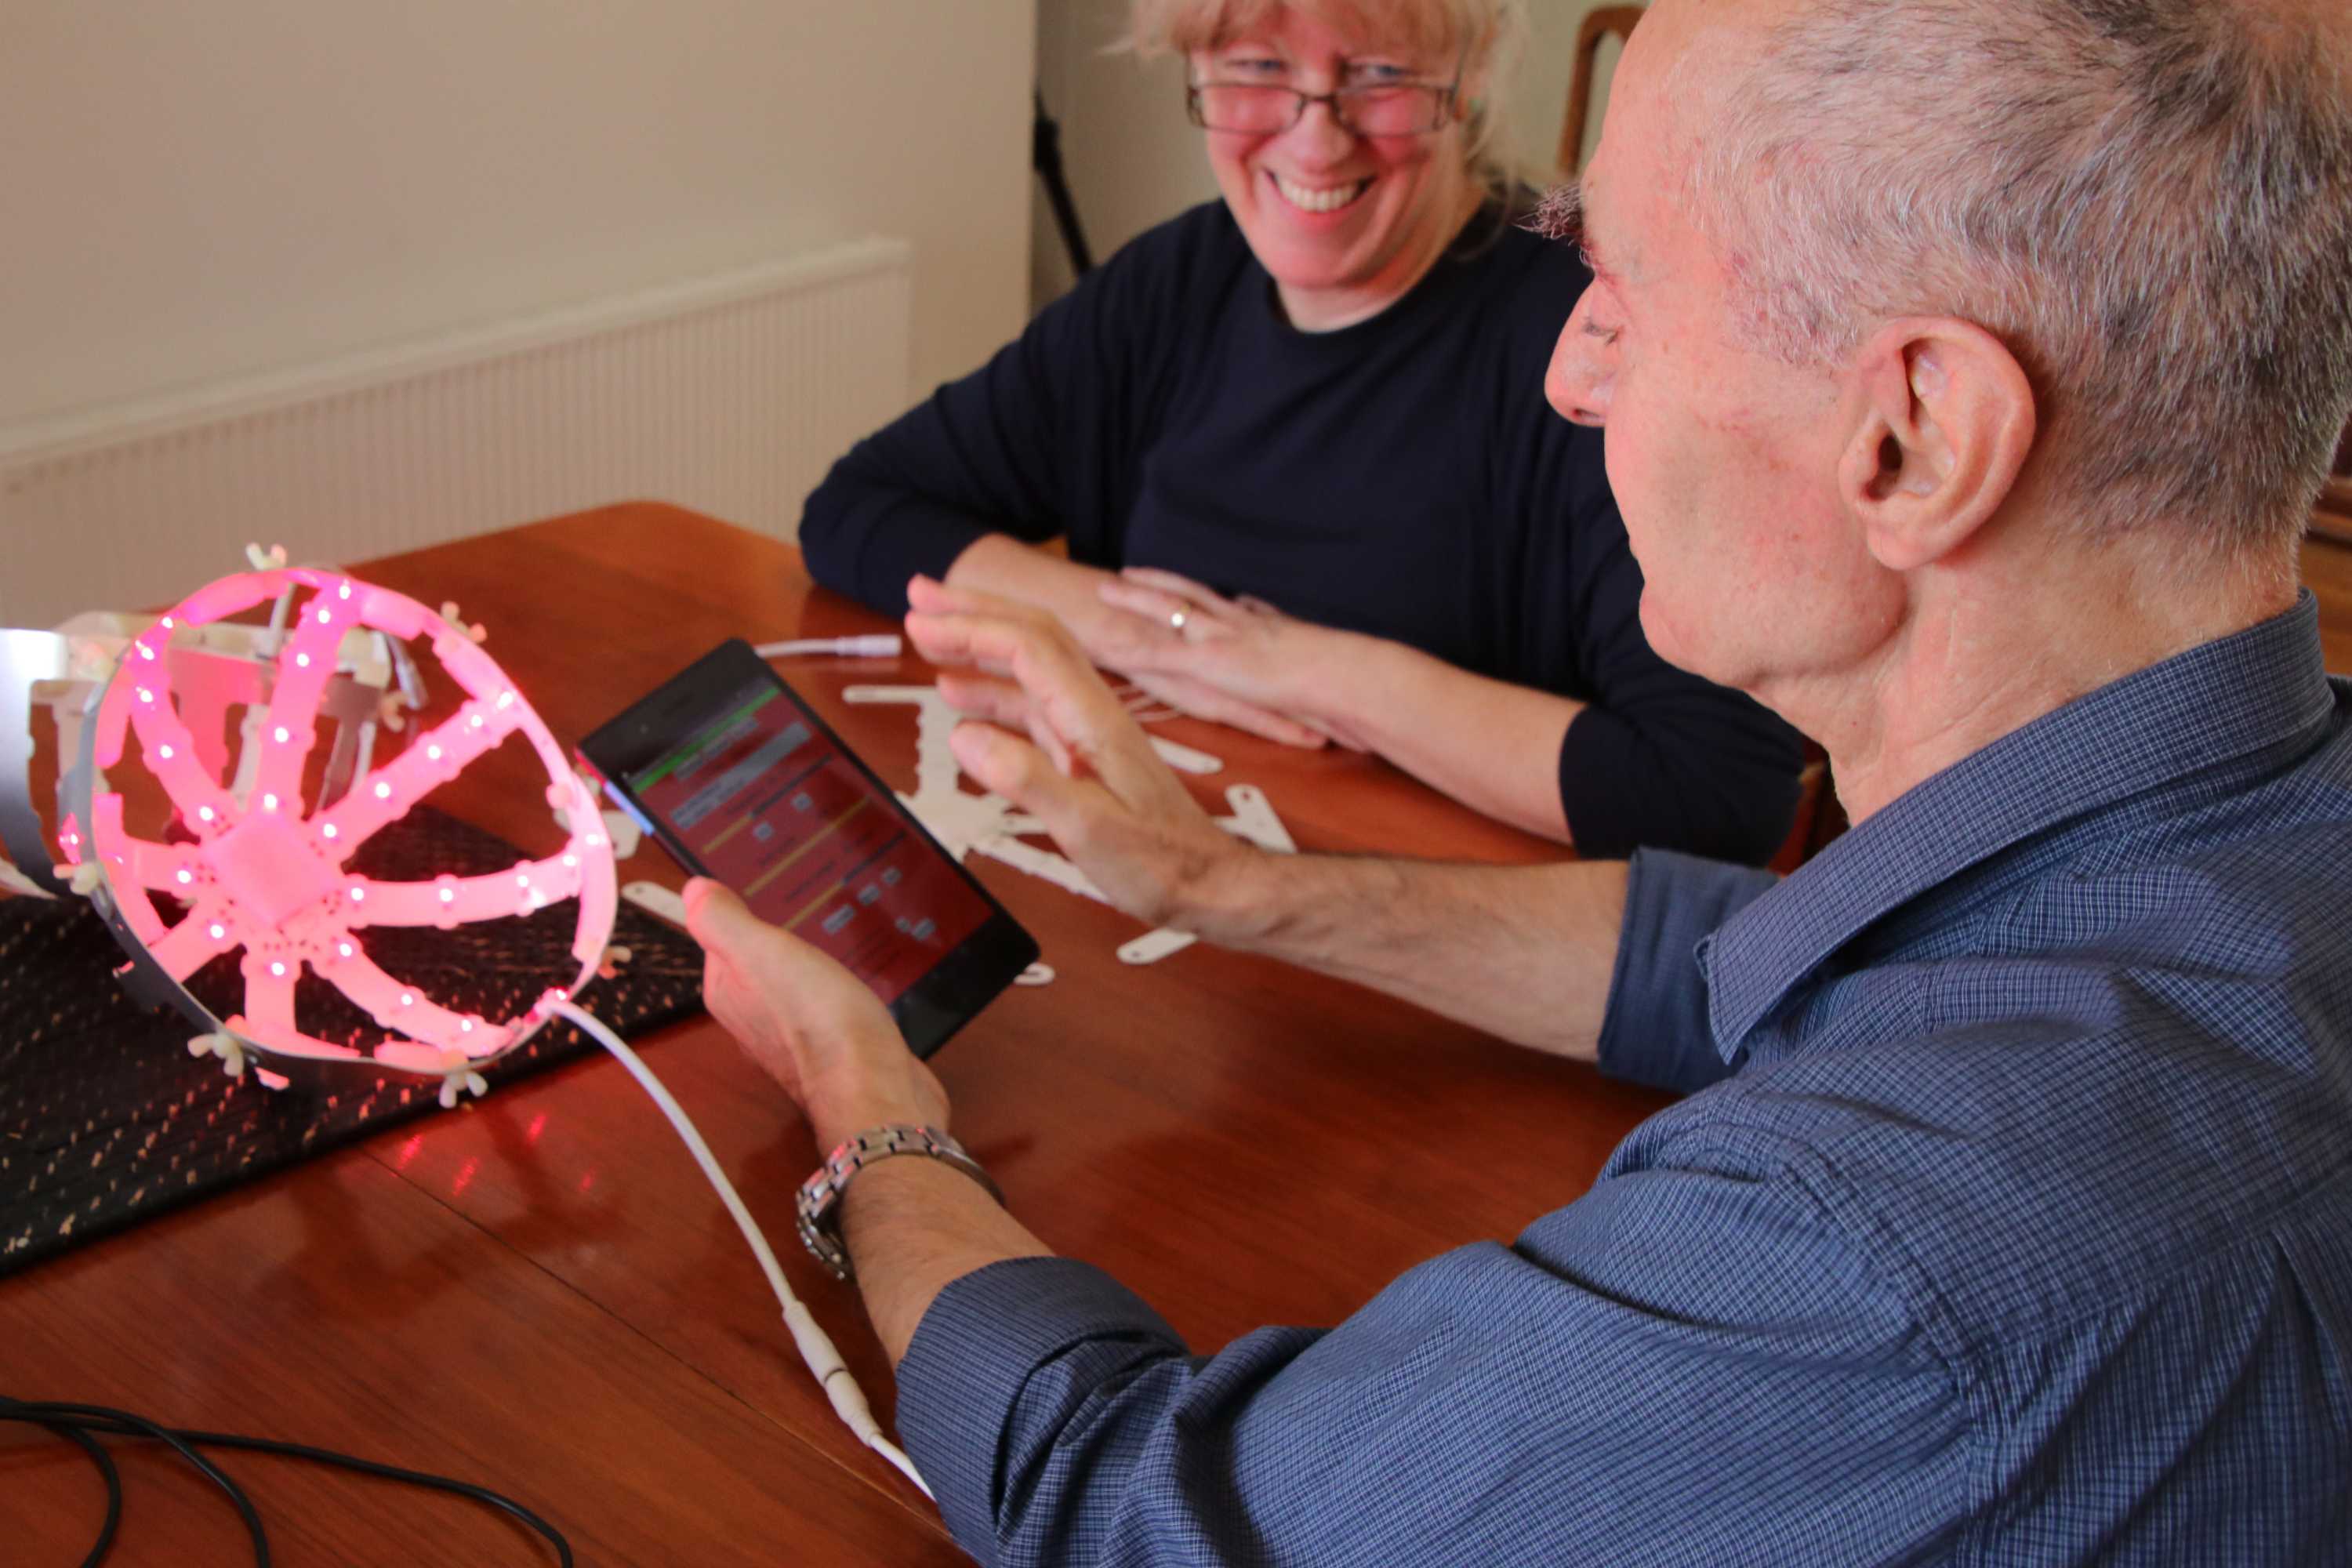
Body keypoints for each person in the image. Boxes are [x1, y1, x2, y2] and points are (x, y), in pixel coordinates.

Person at [689, 0, 2352, 1558]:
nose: (1572, 371)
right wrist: (1225, 885)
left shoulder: (1864, 1262)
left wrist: (877, 1122)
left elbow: (1136, 1511)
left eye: (1624, 292)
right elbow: (1730, 955)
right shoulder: (2240, 823)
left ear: (1912, 435)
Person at [794, 0, 1802, 858]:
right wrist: (1142, 635)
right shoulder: (1171, 286)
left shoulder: (1593, 345)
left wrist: (1316, 671)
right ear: (1193, 70)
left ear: (1472, 77)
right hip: (1173, 889)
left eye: (1377, 75)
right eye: (1257, 70)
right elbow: (857, 511)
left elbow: (1715, 800)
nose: (1315, 139)